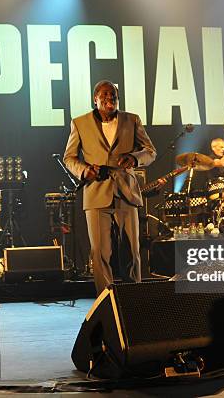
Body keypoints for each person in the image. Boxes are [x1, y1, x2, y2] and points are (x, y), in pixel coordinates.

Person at [63, 80, 156, 295]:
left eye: (113, 95)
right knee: (100, 252)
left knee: (132, 251)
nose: (109, 98)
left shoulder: (131, 119)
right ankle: (106, 301)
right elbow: (69, 158)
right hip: (96, 192)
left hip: (126, 193)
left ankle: (134, 299)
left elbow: (150, 151)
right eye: (104, 95)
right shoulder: (79, 123)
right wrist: (84, 170)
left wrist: (134, 158)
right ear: (95, 99)